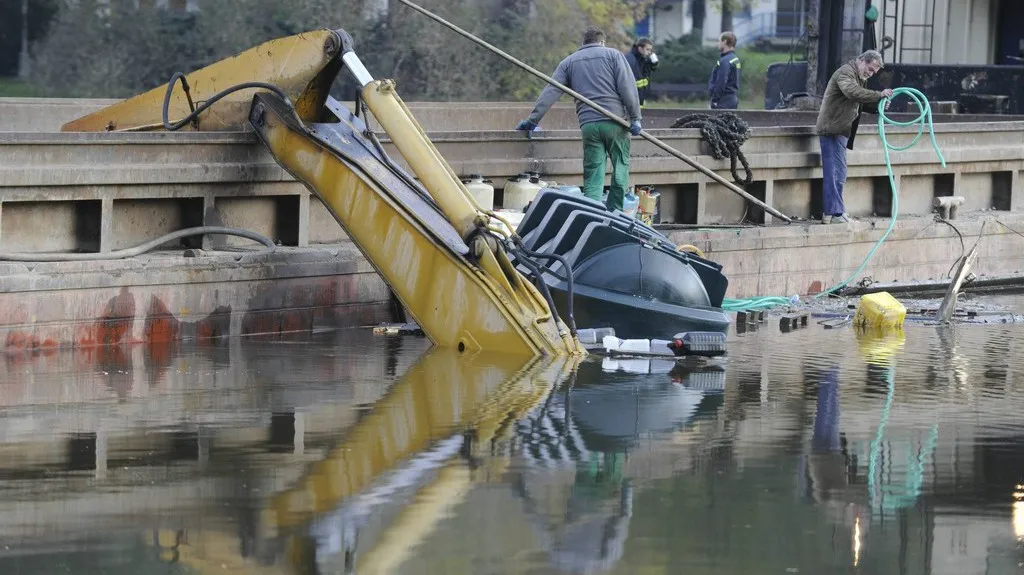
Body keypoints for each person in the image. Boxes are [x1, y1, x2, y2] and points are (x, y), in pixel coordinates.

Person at [515, 26, 642, 212]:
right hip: (616, 123)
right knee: (620, 166)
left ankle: (591, 212)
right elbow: (627, 88)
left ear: (583, 43)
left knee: (593, 173)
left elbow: (551, 92)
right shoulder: (614, 56)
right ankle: (616, 212)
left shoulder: (569, 62)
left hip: (589, 125)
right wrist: (635, 117)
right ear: (602, 42)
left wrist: (533, 120)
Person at [815, 49, 894, 224]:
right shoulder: (846, 73)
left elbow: (857, 102)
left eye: (874, 72)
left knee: (839, 172)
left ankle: (832, 212)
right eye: (871, 69)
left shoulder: (859, 77)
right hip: (832, 129)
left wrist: (878, 106)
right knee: (835, 172)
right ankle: (835, 212)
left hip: (840, 131)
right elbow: (852, 92)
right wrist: (879, 94)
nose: (871, 74)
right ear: (862, 61)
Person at [707, 31, 741, 110]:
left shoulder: (725, 61)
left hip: (722, 102)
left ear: (724, 41)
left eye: (719, 41)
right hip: (732, 99)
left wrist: (715, 100)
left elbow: (721, 81)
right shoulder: (735, 59)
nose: (717, 44)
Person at [624, 37, 659, 108]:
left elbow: (651, 70)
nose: (650, 52)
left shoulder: (643, 58)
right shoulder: (631, 60)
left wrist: (654, 63)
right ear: (640, 48)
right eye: (648, 49)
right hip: (632, 99)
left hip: (640, 97)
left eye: (651, 50)